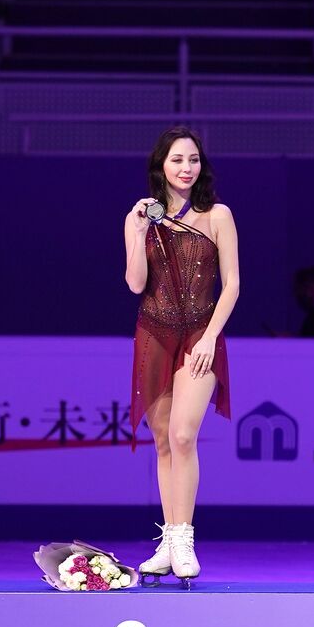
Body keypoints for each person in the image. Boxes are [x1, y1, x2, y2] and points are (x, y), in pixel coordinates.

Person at [125, 126, 240, 587]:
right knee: (162, 440)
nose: (186, 168)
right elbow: (135, 284)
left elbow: (232, 283)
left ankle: (185, 538)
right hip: (153, 332)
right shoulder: (141, 217)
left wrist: (211, 337)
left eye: (193, 159)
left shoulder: (217, 215)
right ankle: (167, 542)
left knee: (184, 434)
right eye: (176, 160)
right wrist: (137, 230)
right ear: (161, 166)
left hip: (200, 333)